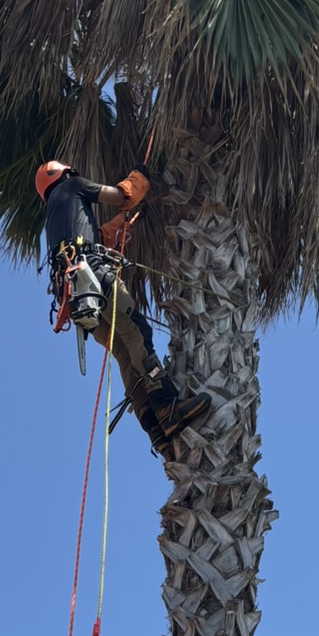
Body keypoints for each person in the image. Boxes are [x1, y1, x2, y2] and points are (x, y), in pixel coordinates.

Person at [35, 161, 209, 452]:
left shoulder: (54, 215)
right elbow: (121, 195)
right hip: (93, 278)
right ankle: (167, 406)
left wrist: (119, 227)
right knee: (136, 331)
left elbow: (91, 239)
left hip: (76, 299)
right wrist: (139, 178)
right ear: (63, 174)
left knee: (123, 352)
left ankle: (154, 429)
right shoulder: (73, 186)